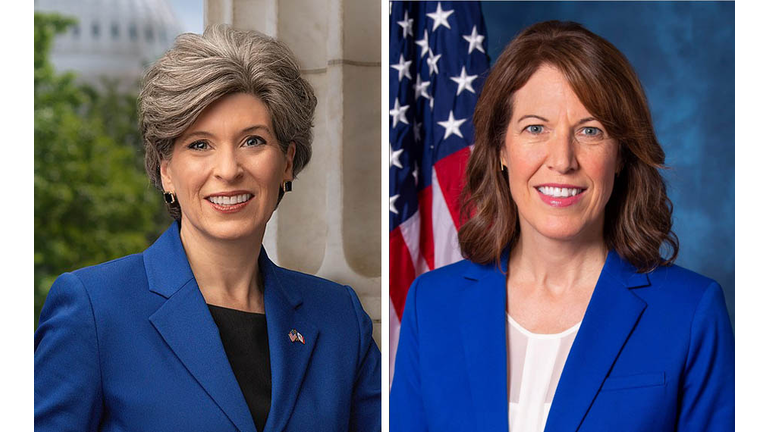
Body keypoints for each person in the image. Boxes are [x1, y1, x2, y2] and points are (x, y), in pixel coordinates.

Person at [390, 20, 733, 432]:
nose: (562, 160)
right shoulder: (432, 304)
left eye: (590, 131)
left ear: (621, 155)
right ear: (501, 148)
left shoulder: (691, 311)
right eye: (535, 128)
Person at [34, 25, 381, 432]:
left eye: (253, 141)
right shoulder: (93, 310)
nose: (229, 170)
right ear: (166, 171)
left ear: (286, 162)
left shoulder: (339, 317)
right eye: (200, 144)